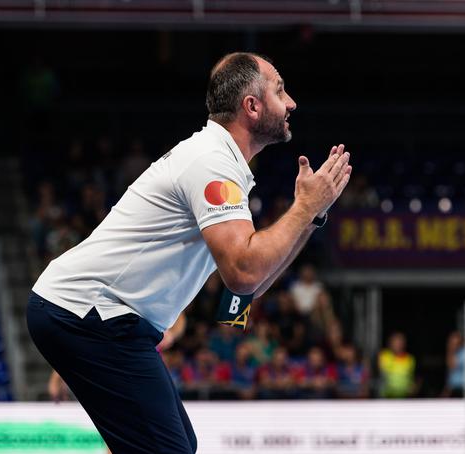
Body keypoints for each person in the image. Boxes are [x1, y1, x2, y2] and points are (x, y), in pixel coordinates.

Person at [27, 51, 352, 454]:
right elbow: (244, 272)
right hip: (89, 315)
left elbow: (243, 293)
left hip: (100, 319)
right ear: (251, 107)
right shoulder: (211, 162)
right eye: (280, 90)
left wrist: (312, 215)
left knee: (181, 444)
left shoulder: (221, 162)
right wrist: (303, 207)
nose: (291, 103)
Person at [378, 332, 416, 398]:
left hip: (404, 396)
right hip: (387, 395)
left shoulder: (410, 359)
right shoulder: (384, 355)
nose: (397, 344)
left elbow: (411, 377)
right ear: (390, 343)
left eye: (400, 342)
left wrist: (412, 387)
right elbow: (381, 374)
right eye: (395, 342)